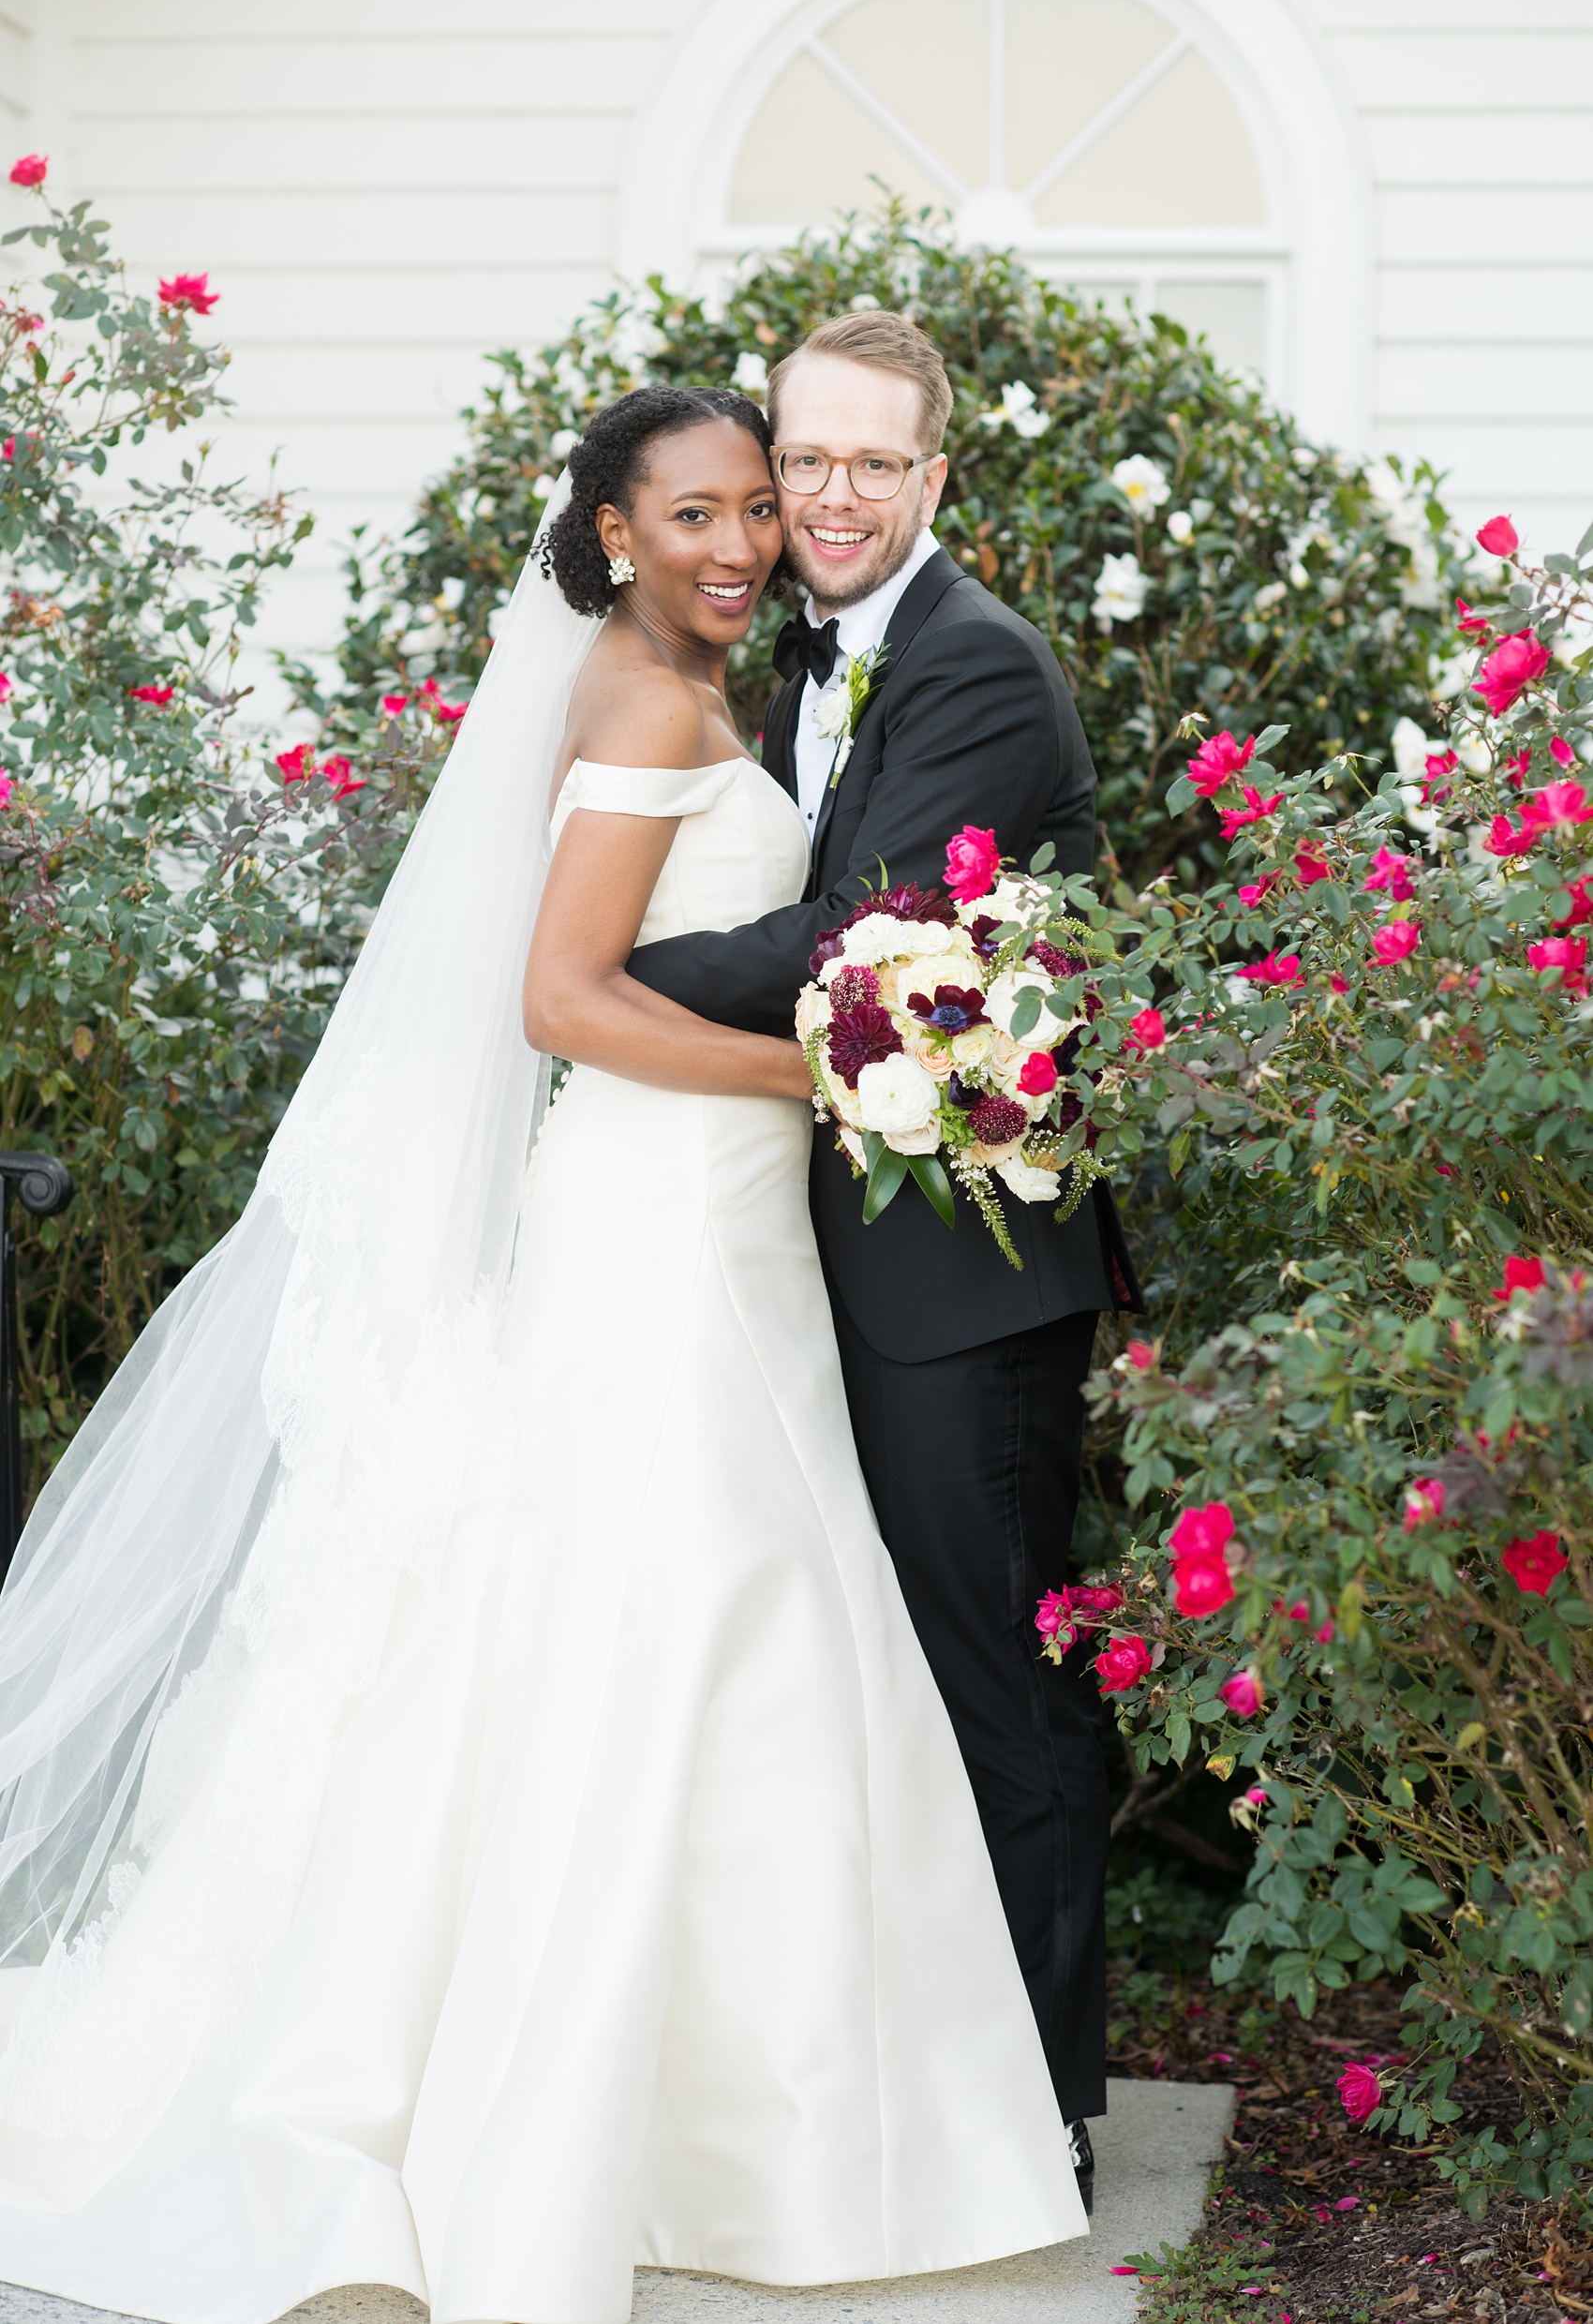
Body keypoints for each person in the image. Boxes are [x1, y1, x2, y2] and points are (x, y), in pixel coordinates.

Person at [0, 387, 1086, 2324]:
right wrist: (858, 1076)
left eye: (759, 505)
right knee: (679, 1627)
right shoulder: (650, 701)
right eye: (695, 514)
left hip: (723, 1223)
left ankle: (724, 2114)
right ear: (606, 535)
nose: (743, 542)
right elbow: (562, 996)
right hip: (663, 1222)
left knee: (709, 1641)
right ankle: (622, 2128)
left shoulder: (684, 685)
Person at [629, 315, 1142, 2204]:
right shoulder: (803, 662)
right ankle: (903, 2087)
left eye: (871, 461)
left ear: (936, 476)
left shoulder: (984, 673)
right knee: (844, 1679)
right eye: (804, 457)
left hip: (961, 1288)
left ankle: (1044, 2116)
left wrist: (591, 980)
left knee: (993, 1682)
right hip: (812, 1251)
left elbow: (845, 944)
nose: (830, 494)